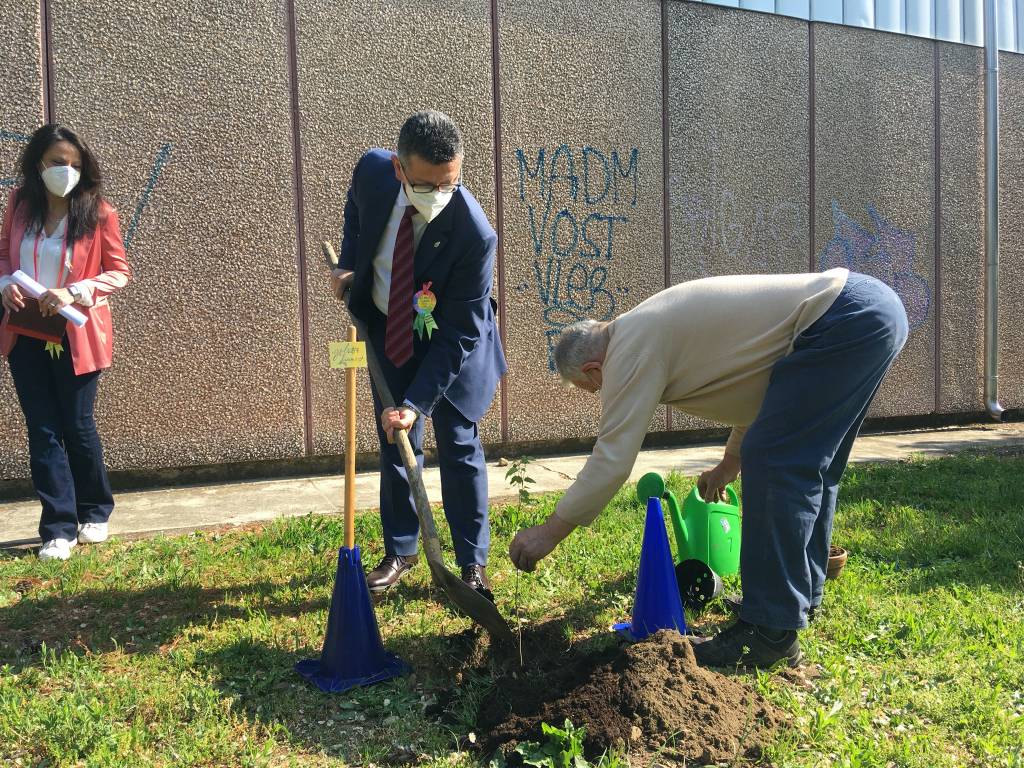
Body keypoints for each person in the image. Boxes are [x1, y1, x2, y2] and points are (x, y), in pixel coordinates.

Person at [508, 269, 908, 667]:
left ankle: (770, 632)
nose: (603, 393)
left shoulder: (629, 346)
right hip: (865, 311)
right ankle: (793, 600)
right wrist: (731, 460)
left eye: (595, 389)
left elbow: (612, 458)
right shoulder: (646, 328)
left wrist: (550, 531)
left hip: (843, 319)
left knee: (777, 462)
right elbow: (761, 383)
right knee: (808, 464)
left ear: (594, 369)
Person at [329, 110, 506, 598]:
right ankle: (402, 549)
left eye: (450, 183)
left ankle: (472, 565)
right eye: (427, 186)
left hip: (455, 346)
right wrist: (348, 264)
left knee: (458, 444)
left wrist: (417, 402)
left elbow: (461, 332)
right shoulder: (372, 171)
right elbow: (354, 210)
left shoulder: (474, 233)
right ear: (399, 170)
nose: (440, 196)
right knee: (396, 441)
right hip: (392, 330)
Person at [0, 124, 131, 561]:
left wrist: (74, 292)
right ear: (38, 163)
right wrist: (4, 282)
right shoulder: (19, 205)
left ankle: (94, 510)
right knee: (43, 428)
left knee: (76, 426)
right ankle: (57, 527)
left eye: (75, 164)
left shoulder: (99, 213)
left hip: (77, 333)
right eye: (58, 162)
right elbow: (4, 253)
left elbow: (118, 272)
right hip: (26, 332)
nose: (66, 171)